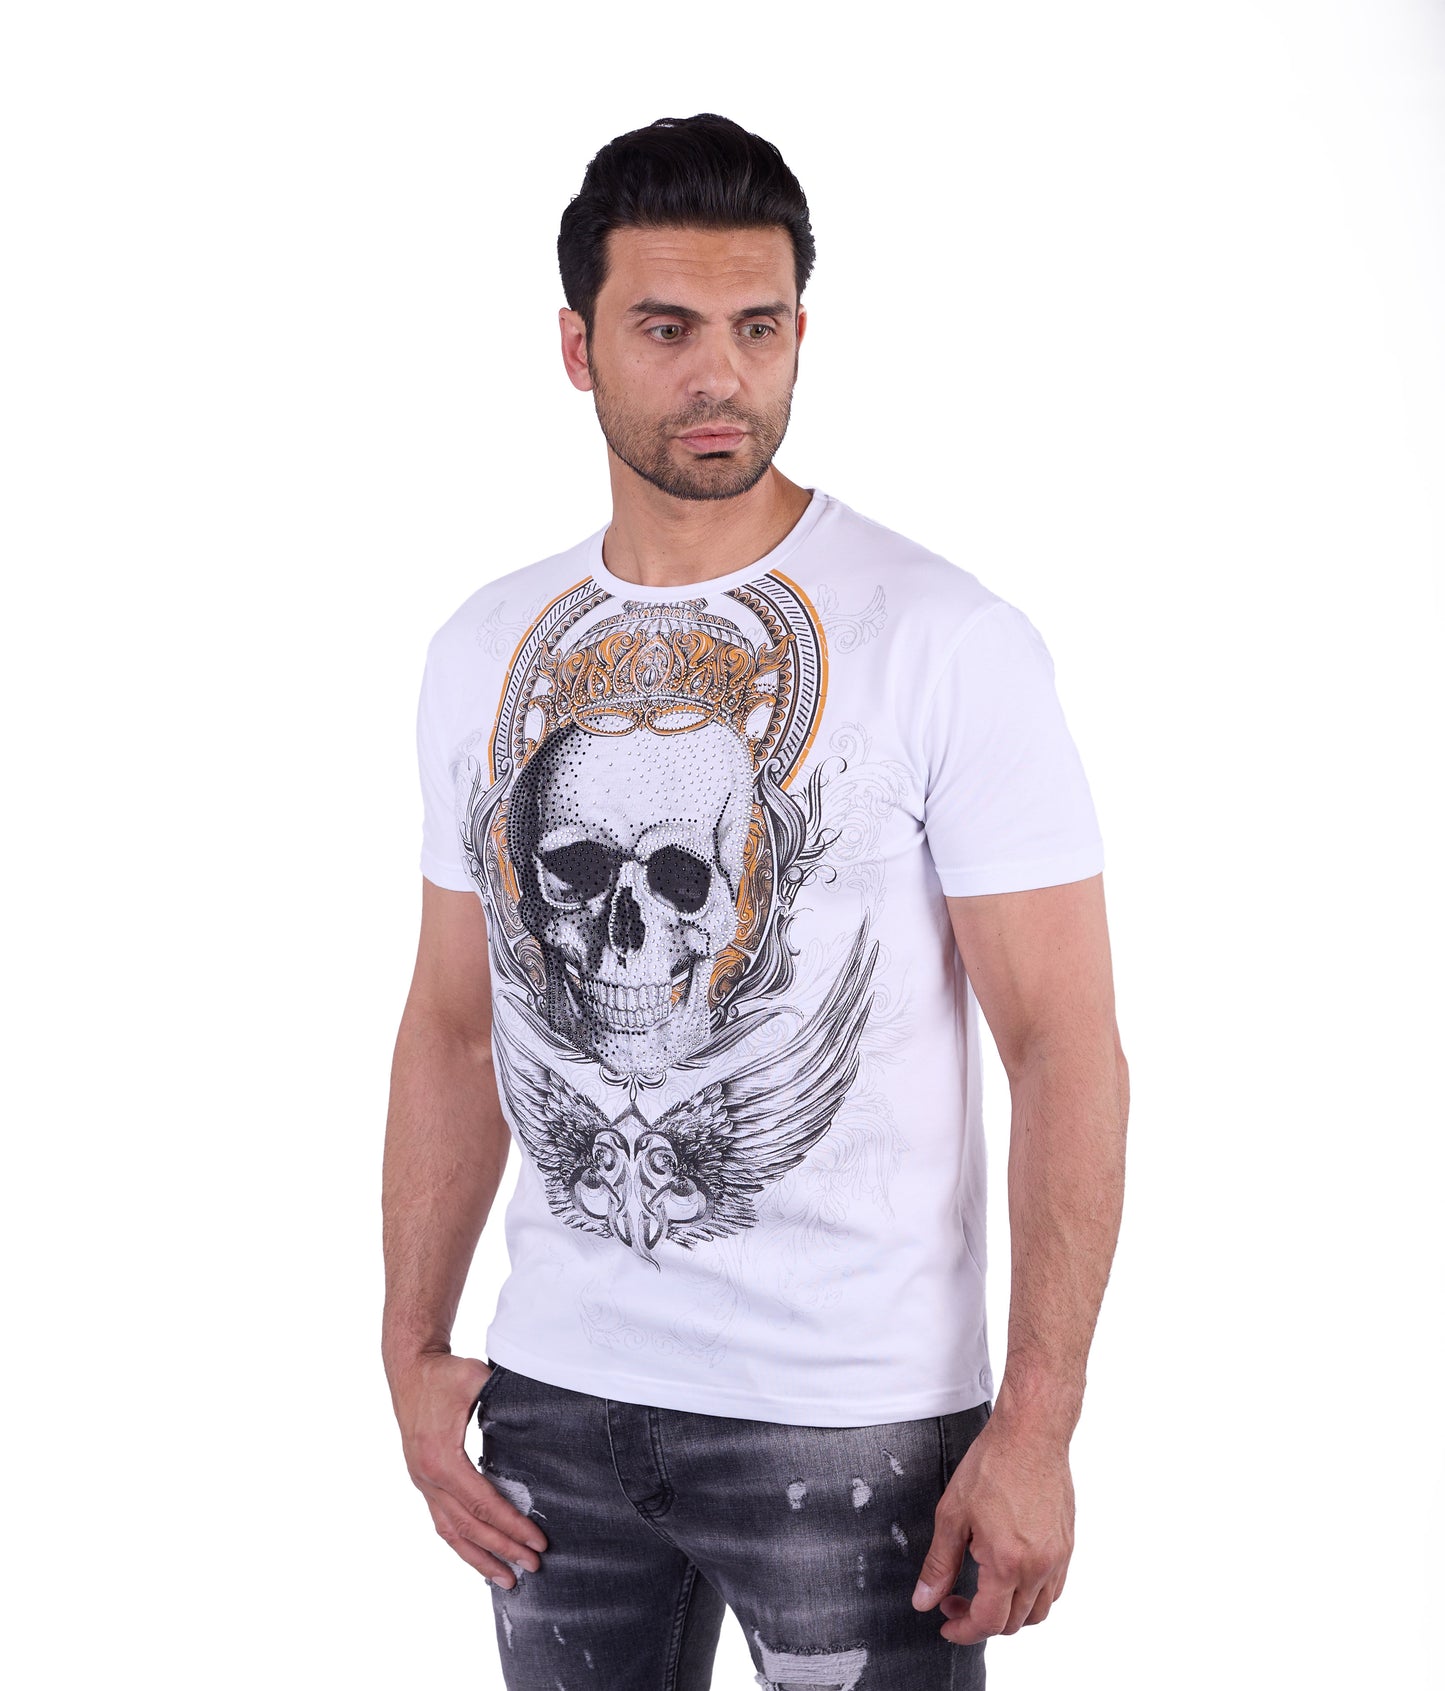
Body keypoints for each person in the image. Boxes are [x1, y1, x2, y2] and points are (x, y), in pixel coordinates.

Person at [382, 112, 1129, 1691]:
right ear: (577, 348)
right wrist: (410, 1347)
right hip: (555, 1411)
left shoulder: (944, 638)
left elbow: (1064, 1045)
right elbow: (452, 1023)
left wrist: (1036, 1426)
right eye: (666, 329)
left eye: (757, 326)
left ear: (799, 331)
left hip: (855, 1423)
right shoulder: (481, 647)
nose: (719, 375)